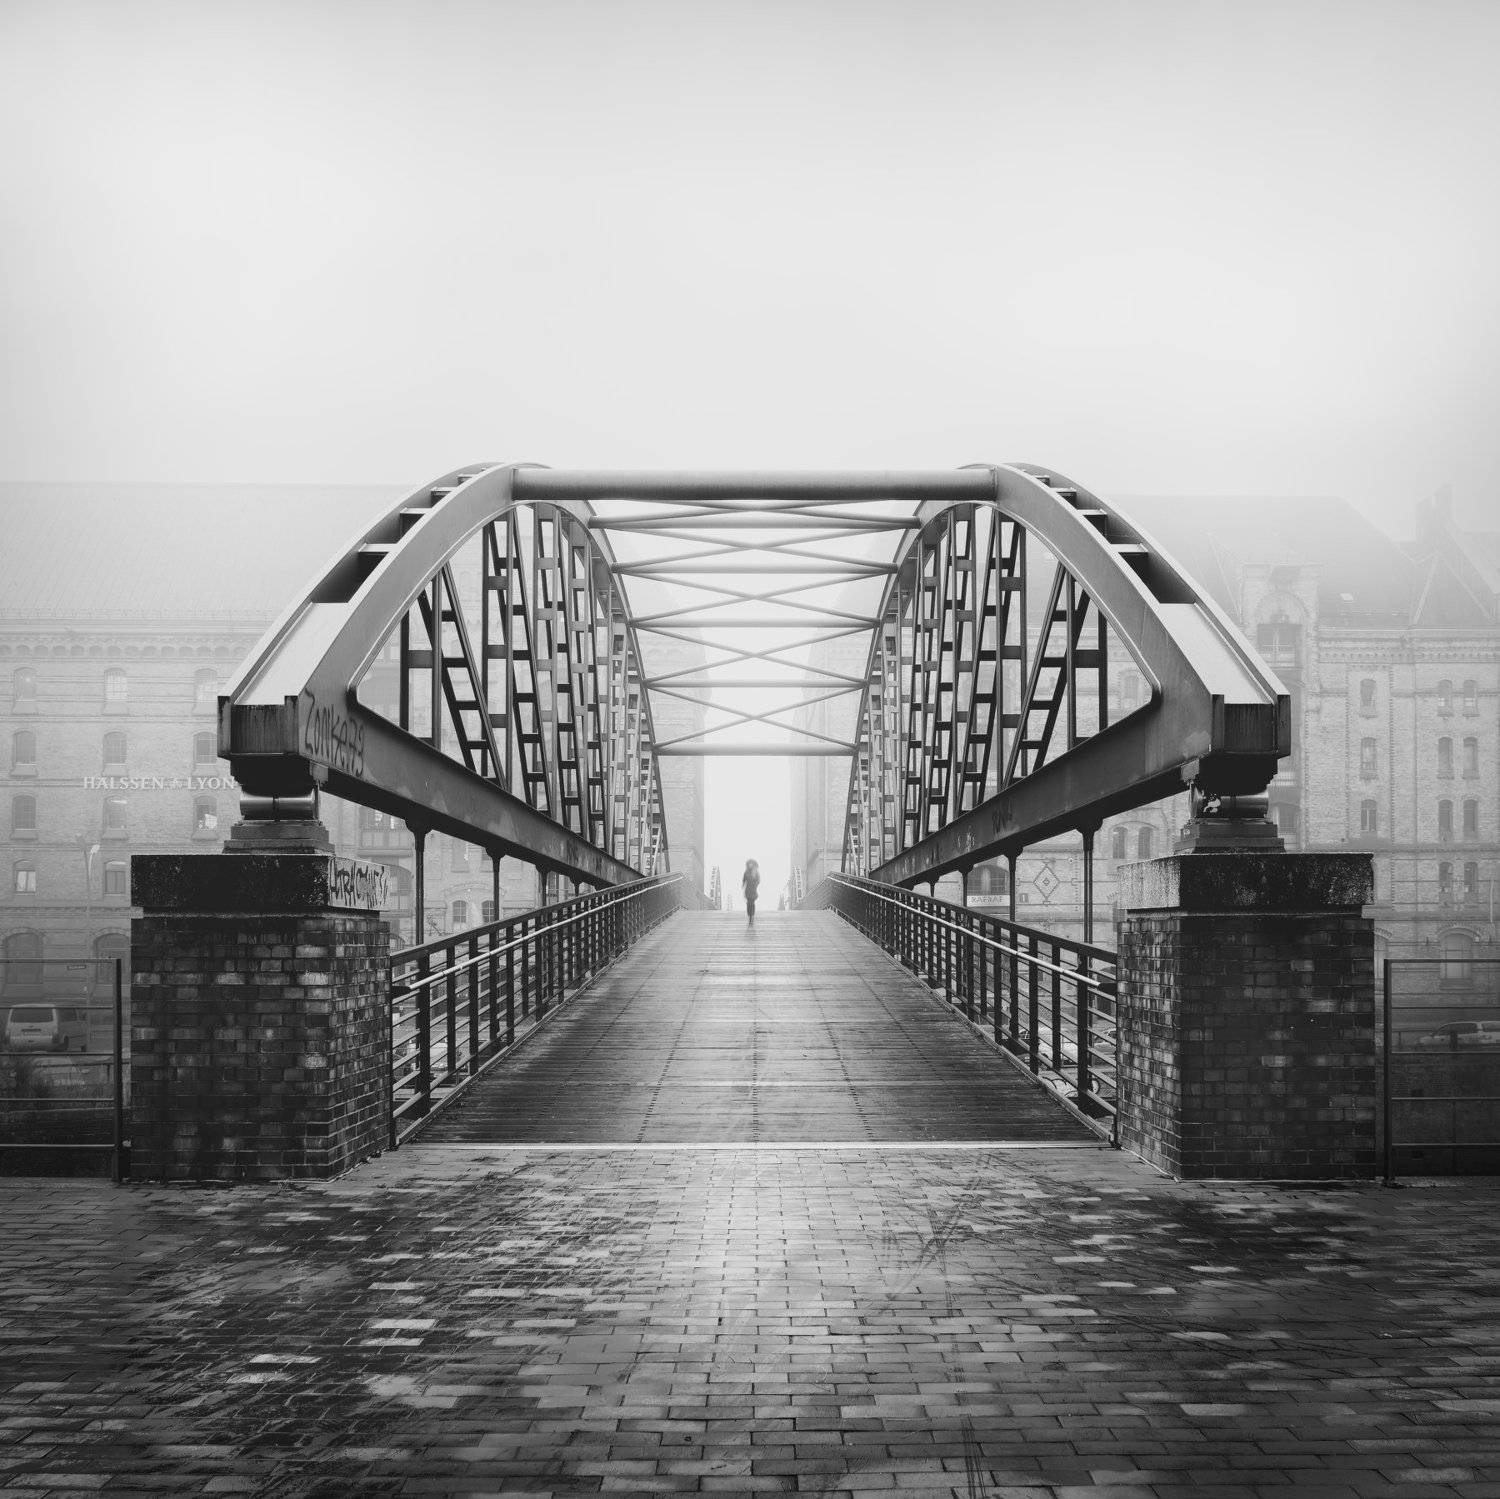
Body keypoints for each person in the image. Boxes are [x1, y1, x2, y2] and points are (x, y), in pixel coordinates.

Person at [741, 858, 760, 927]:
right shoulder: (746, 872)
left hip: (753, 890)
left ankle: (751, 917)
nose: (750, 865)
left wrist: (756, 885)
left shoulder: (756, 872)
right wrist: (743, 885)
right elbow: (744, 880)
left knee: (752, 903)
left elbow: (758, 880)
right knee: (749, 903)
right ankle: (749, 916)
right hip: (747, 890)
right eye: (749, 863)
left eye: (751, 863)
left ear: (753, 864)